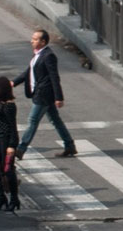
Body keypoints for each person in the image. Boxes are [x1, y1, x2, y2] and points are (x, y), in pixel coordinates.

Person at [13, 29, 76, 159]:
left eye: (35, 39)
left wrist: (59, 97)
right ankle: (69, 145)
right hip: (40, 93)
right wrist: (13, 83)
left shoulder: (48, 56)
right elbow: (29, 72)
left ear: (43, 41)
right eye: (32, 38)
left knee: (33, 120)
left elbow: (54, 77)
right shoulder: (38, 55)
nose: (32, 41)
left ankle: (21, 149)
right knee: (55, 120)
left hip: (44, 94)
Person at [0, 77, 20, 211]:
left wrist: (12, 146)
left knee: (8, 170)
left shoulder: (9, 105)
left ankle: (14, 198)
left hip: (7, 139)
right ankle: (1, 197)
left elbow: (13, 127)